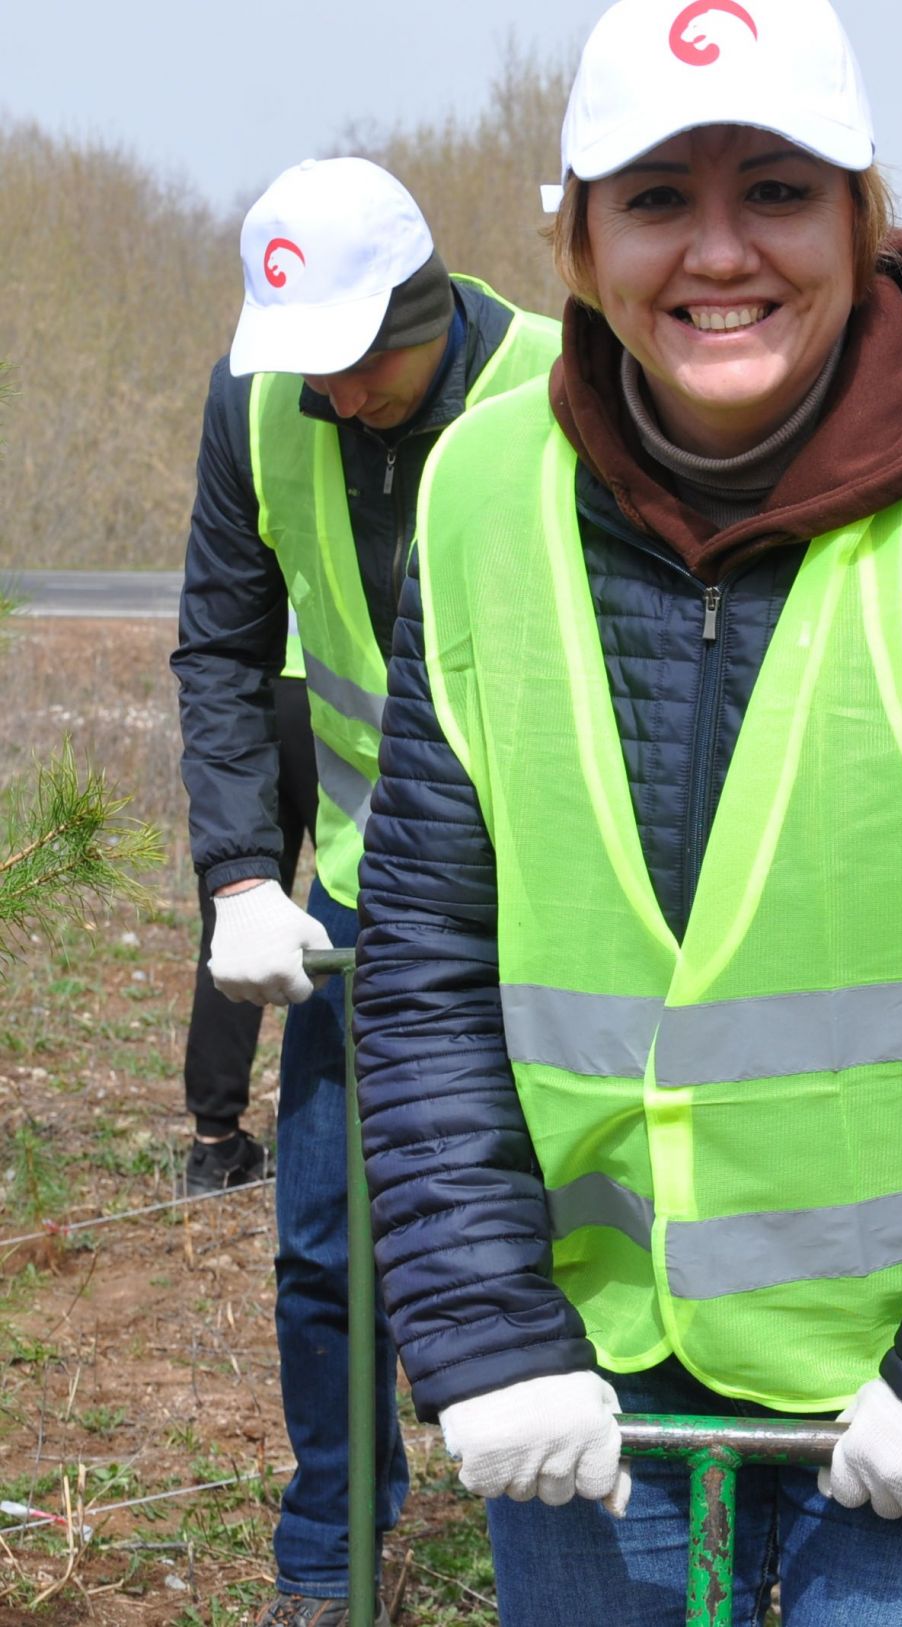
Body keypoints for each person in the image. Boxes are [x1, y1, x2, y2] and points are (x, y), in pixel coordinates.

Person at [349, 2, 902, 1620]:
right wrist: (486, 1330)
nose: (720, 251)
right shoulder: (478, 495)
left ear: (864, 216)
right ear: (578, 236)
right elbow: (425, 954)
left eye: (778, 191)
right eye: (659, 197)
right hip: (600, 1384)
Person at [172, 156, 560, 1625]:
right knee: (329, 1247)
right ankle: (333, 1555)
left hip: (563, 902)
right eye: (308, 368)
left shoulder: (562, 387)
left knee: (579, 1228)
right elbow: (221, 646)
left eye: (361, 363)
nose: (335, 394)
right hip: (354, 894)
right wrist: (232, 875)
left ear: (427, 303)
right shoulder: (257, 402)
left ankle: (600, 1535)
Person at [179, 634, 314, 1195]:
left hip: (248, 686)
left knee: (236, 918)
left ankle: (214, 1144)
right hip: (335, 682)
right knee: (362, 897)